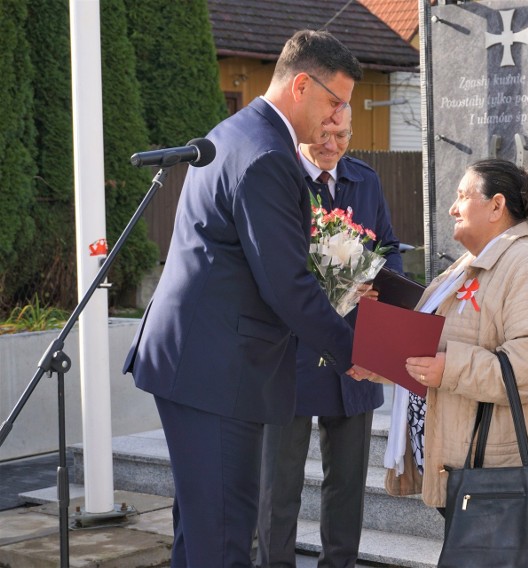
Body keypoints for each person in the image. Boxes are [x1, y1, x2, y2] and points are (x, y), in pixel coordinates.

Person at [123, 30, 363, 567]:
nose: (336, 119)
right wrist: (356, 354)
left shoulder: (235, 132)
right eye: (334, 103)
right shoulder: (267, 156)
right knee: (226, 542)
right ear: (302, 84)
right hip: (219, 371)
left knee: (201, 535)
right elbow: (287, 285)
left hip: (197, 361)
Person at [353, 158, 528, 514]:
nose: (452, 208)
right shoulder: (464, 266)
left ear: (496, 206)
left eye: (463, 196)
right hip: (460, 462)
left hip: (500, 467)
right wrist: (377, 360)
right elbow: (429, 342)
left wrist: (448, 369)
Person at [255, 107, 402, 568]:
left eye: (342, 135)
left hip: (355, 352)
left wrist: (383, 280)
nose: (331, 144)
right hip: (291, 352)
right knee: (279, 482)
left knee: (348, 482)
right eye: (324, 133)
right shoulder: (280, 180)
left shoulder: (365, 180)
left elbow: (389, 245)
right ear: (305, 130)